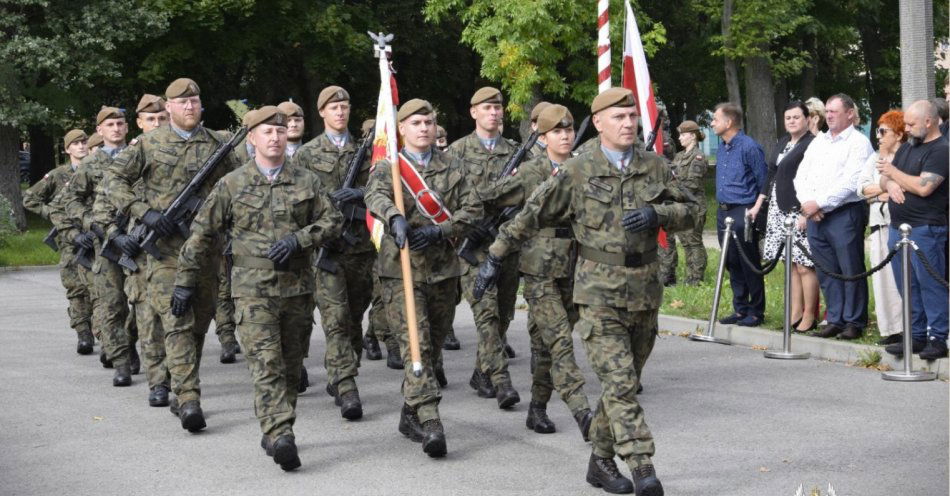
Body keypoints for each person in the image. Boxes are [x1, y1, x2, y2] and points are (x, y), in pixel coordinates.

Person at [475, 87, 698, 495]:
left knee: (623, 383)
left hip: (645, 293)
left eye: (632, 116)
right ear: (598, 123)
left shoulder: (656, 166)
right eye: (619, 117)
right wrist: (493, 258)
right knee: (619, 384)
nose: (629, 123)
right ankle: (642, 464)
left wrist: (658, 213)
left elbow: (692, 212)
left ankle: (599, 461)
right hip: (597, 293)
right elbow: (531, 214)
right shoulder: (578, 170)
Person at [174, 105, 339, 471]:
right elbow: (202, 236)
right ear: (252, 138)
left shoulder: (307, 181)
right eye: (267, 132)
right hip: (251, 291)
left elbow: (333, 221)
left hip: (296, 290)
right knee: (266, 365)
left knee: (291, 368)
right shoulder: (232, 184)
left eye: (280, 132)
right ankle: (280, 432)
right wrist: (185, 281)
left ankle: (277, 427)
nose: (276, 137)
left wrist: (300, 239)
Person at [107, 78, 241, 432]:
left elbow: (241, 185)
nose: (189, 107)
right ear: (168, 107)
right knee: (176, 321)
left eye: (195, 101)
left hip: (207, 252)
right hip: (164, 253)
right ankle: (187, 398)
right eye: (182, 103)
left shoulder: (218, 145)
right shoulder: (149, 144)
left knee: (198, 323)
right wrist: (143, 211)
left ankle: (181, 381)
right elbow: (113, 182)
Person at [364, 98, 483, 458]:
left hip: (443, 271)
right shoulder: (389, 168)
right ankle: (431, 420)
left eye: (429, 122)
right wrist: (393, 217)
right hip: (401, 272)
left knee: (433, 348)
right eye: (416, 123)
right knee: (418, 345)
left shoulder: (454, 166)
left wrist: (440, 230)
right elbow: (374, 195)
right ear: (401, 129)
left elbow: (473, 209)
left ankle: (409, 412)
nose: (424, 128)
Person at [481, 104, 595, 439]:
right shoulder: (532, 172)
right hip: (539, 269)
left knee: (547, 347)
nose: (565, 136)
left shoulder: (583, 169)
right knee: (560, 342)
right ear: (543, 138)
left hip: (576, 266)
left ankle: (538, 408)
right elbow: (488, 197)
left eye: (569, 130)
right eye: (557, 131)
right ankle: (583, 414)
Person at [290, 85, 375, 418]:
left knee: (354, 317)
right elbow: (298, 202)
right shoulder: (308, 154)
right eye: (333, 107)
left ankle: (343, 367)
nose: (340, 112)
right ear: (322, 112)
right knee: (335, 318)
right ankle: (345, 383)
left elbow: (385, 187)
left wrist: (360, 193)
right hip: (326, 250)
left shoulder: (366, 152)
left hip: (361, 248)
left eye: (345, 106)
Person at [445, 86, 521, 408]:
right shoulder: (456, 152)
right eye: (487, 107)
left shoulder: (517, 152)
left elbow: (533, 195)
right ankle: (501, 380)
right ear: (473, 112)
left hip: (508, 245)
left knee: (503, 315)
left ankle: (481, 371)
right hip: (473, 247)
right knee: (485, 313)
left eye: (498, 107)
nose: (493, 112)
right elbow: (445, 199)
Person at [61, 106, 137, 387]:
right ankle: (121, 361)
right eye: (110, 125)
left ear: (127, 127)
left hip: (137, 238)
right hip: (104, 243)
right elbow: (71, 200)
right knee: (113, 302)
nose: (116, 128)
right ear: (100, 131)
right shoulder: (90, 165)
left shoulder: (137, 157)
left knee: (143, 304)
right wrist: (89, 221)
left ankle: (129, 343)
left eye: (120, 123)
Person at [794, 94, 873, 340]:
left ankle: (853, 321)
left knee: (850, 268)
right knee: (826, 271)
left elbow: (851, 181)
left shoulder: (858, 143)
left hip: (844, 213)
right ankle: (835, 318)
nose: (828, 115)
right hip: (815, 216)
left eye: (834, 111)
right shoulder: (819, 142)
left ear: (849, 113)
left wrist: (820, 203)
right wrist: (808, 203)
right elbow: (801, 175)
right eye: (827, 111)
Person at [879, 100, 949, 360]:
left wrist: (894, 175)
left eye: (911, 124)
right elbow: (883, 177)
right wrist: (891, 184)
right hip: (898, 228)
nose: (906, 129)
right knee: (906, 285)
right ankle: (916, 334)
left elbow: (924, 187)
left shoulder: (941, 150)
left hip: (926, 228)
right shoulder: (908, 147)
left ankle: (937, 337)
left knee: (930, 284)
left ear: (929, 122)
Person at [747, 101, 819, 332]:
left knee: (804, 265)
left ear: (808, 119)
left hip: (799, 210)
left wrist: (807, 212)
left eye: (796, 117)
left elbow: (815, 178)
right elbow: (771, 175)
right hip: (778, 209)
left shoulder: (813, 144)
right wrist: (759, 204)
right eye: (788, 118)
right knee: (789, 263)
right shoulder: (783, 142)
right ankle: (794, 312)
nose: (791, 121)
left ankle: (809, 314)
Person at [22, 129, 94, 355]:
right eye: (76, 143)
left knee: (98, 286)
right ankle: (83, 332)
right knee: (75, 286)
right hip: (68, 239)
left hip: (94, 235)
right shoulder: (57, 175)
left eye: (84, 142)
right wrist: (51, 213)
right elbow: (30, 198)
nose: (81, 146)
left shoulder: (96, 170)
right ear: (67, 149)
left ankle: (101, 328)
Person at [711, 102, 768, 327]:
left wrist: (755, 210)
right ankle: (740, 308)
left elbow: (763, 180)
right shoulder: (722, 147)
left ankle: (756, 311)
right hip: (722, 210)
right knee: (731, 261)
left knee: (748, 261)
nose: (712, 123)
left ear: (729, 122)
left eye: (716, 119)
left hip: (742, 210)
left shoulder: (749, 147)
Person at [856, 110, 907, 345]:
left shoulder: (907, 155)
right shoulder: (874, 158)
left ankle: (910, 327)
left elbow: (904, 187)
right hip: (878, 223)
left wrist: (881, 190)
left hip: (900, 225)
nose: (878, 136)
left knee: (903, 278)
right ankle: (891, 329)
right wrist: (883, 191)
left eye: (883, 131)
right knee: (883, 279)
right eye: (878, 131)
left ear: (898, 134)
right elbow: (862, 189)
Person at [657, 120, 708, 286]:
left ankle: (695, 279)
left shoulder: (698, 157)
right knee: (684, 242)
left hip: (694, 206)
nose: (679, 138)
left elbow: (692, 185)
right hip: (680, 206)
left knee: (693, 243)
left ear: (692, 136)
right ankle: (681, 277)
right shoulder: (679, 156)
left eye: (683, 134)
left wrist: (672, 187)